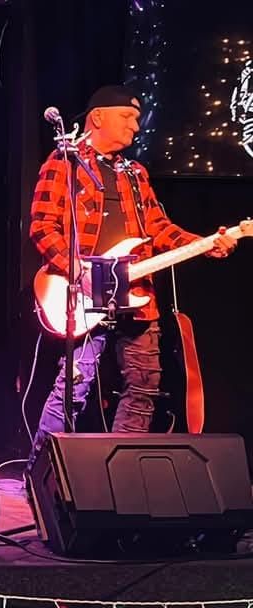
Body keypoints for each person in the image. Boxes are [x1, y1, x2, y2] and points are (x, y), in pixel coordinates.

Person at [26, 85, 237, 470]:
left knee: (143, 389)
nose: (136, 126)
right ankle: (40, 476)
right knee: (72, 389)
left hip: (137, 296)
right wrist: (79, 272)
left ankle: (122, 479)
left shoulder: (135, 173)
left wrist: (204, 243)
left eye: (137, 118)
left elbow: (158, 228)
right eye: (128, 116)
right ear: (98, 117)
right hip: (83, 295)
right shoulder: (64, 162)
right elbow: (42, 227)